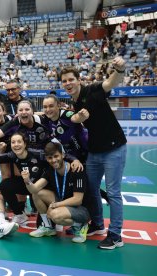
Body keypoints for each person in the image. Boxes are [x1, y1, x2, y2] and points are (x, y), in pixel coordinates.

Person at [61, 57, 127, 250]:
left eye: (70, 79)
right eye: (64, 81)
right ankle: (97, 224)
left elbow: (110, 82)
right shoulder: (74, 102)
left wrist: (120, 70)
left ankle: (115, 235)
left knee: (113, 192)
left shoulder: (93, 90)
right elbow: (73, 118)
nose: (68, 83)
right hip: (95, 152)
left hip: (114, 148)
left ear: (78, 79)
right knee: (91, 188)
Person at [22, 142, 90, 243]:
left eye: (56, 156)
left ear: (62, 155)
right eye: (50, 158)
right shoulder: (50, 171)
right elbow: (34, 189)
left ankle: (81, 226)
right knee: (37, 194)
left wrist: (56, 205)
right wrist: (27, 181)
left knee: (55, 215)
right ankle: (48, 227)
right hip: (63, 203)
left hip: (81, 210)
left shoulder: (76, 170)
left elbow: (78, 200)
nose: (53, 160)